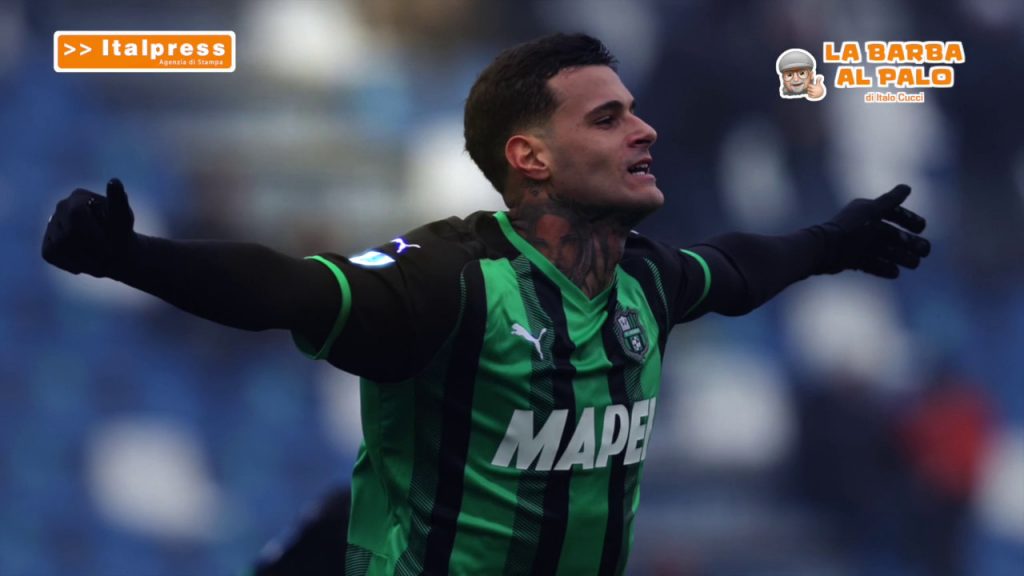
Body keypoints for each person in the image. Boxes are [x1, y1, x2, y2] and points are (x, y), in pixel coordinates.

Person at [41, 33, 930, 576]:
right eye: (608, 118)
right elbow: (288, 288)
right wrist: (131, 256)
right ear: (531, 158)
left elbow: (735, 268)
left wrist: (831, 241)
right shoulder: (450, 282)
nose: (644, 130)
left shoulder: (644, 285)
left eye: (634, 111)